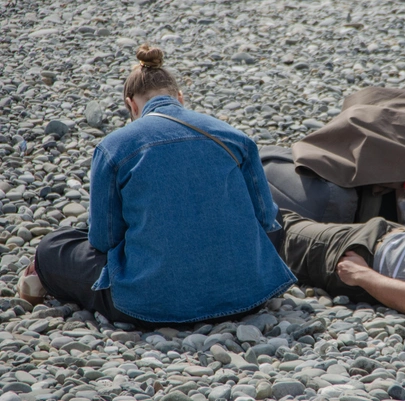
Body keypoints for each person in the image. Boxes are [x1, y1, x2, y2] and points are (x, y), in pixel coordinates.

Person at [18, 44, 296, 327]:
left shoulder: (113, 147)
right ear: (180, 98)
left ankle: (39, 277)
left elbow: (103, 240)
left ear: (131, 105)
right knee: (277, 218)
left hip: (150, 305)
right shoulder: (235, 136)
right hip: (246, 296)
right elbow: (266, 218)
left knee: (53, 246)